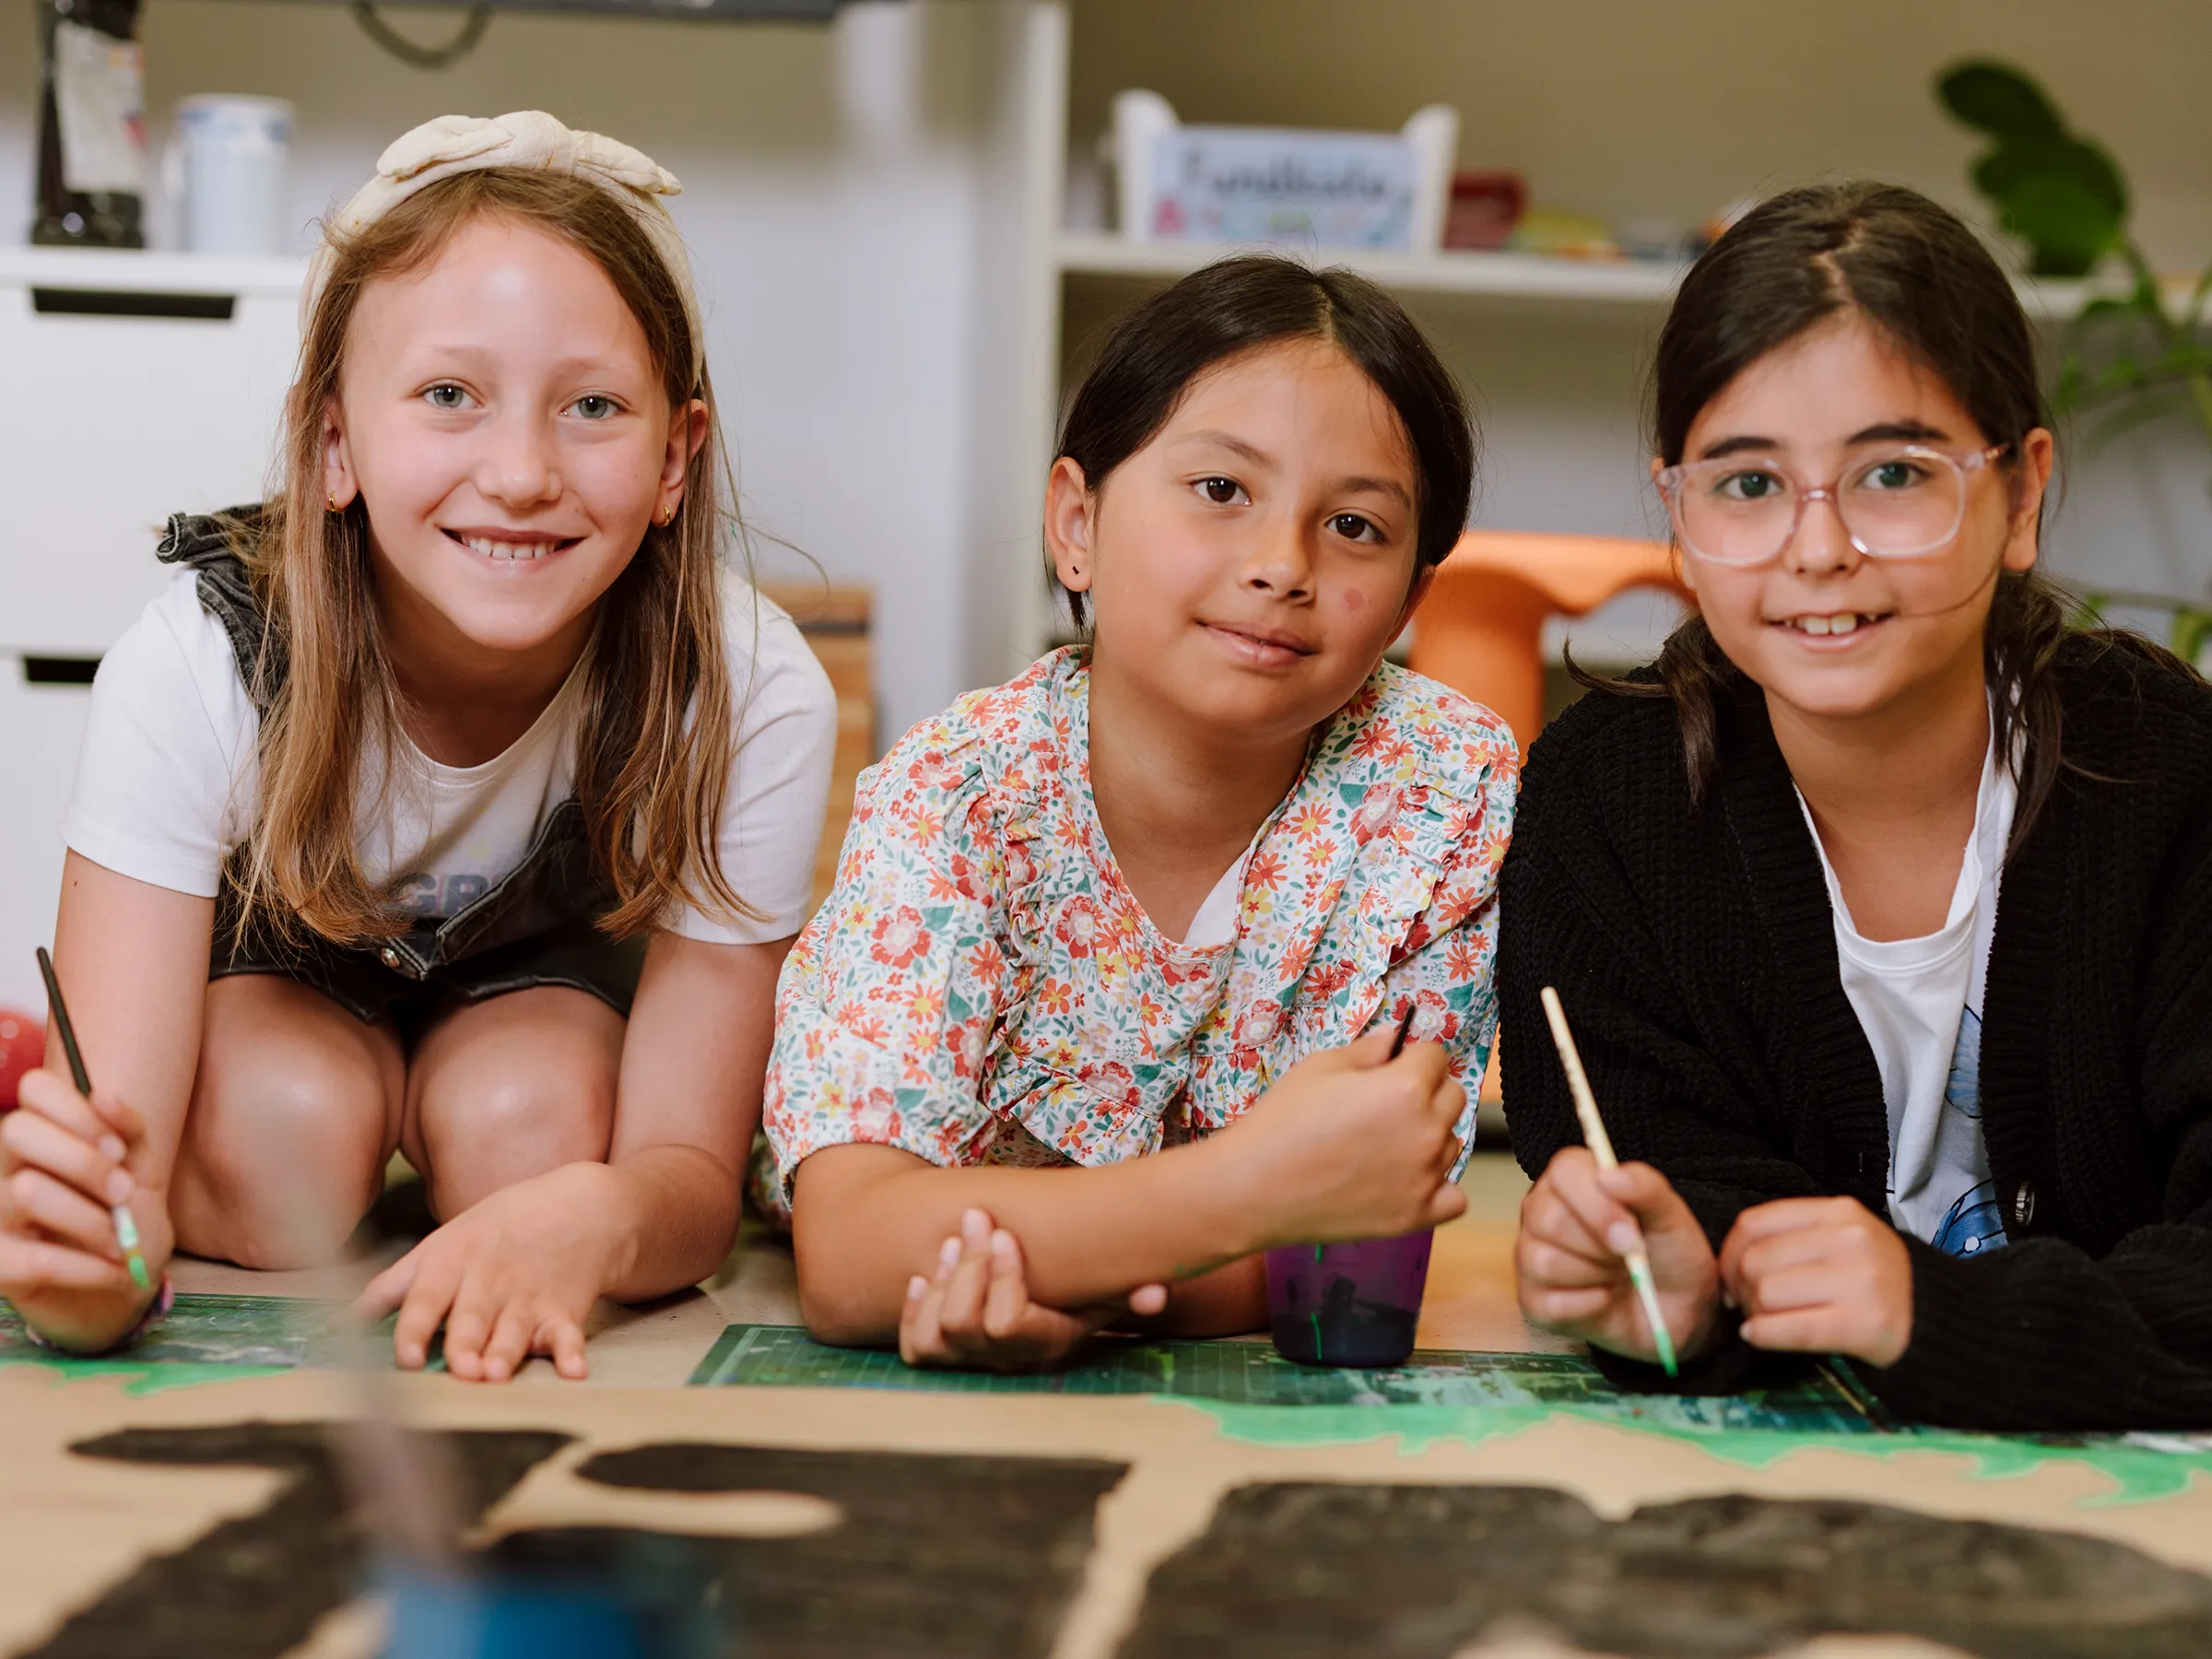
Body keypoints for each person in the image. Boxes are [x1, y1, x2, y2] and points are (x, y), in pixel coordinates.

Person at [0, 112, 836, 1381]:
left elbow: (685, 1175)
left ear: (677, 457)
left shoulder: (748, 688)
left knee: (546, 1138)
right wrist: (89, 1256)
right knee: (273, 1141)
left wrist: (599, 1222)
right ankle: (354, 1109)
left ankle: (478, 1127)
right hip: (277, 997)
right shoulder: (193, 664)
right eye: (450, 396)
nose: (518, 473)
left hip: (537, 1007)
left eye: (593, 407)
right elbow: (119, 1156)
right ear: (335, 440)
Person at [1503, 181, 2212, 1430]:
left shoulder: (2174, 780)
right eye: (1746, 484)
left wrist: (1937, 1313)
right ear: (1677, 509)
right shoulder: (1605, 805)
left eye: (1892, 471)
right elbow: (1671, 1211)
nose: (1818, 549)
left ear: (2022, 495)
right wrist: (1673, 1293)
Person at [767, 257, 1516, 1370]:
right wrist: (1246, 1198)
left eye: (1355, 525)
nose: (1281, 565)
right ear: (1076, 522)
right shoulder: (962, 792)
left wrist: (1071, 1277)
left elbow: (1363, 1234)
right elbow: (852, 1251)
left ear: (1411, 598)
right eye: (1221, 491)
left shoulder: (1442, 794)